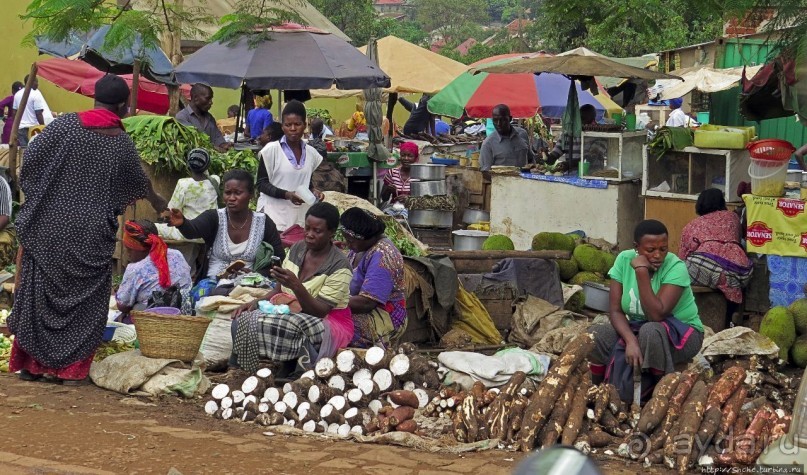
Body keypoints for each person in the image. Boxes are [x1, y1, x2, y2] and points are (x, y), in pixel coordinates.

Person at [8, 74, 168, 384]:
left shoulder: (63, 125)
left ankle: (32, 365)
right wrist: (159, 203)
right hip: (89, 233)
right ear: (123, 106)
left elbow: (31, 162)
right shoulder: (119, 140)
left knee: (40, 293)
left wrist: (45, 195)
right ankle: (63, 369)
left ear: (94, 97)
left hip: (49, 227)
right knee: (81, 301)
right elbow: (138, 183)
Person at [229, 203, 353, 373]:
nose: (309, 235)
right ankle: (242, 370)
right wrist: (255, 302)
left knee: (290, 324)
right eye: (307, 228)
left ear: (331, 233)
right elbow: (277, 291)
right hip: (290, 310)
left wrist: (295, 285)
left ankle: (294, 369)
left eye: (317, 231)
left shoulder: (340, 265)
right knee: (243, 317)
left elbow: (320, 312)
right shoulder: (297, 248)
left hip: (330, 322)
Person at [588, 220, 703, 402]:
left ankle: (661, 398)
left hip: (682, 334)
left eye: (663, 249)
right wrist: (630, 341)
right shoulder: (624, 260)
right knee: (595, 333)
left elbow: (656, 314)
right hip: (637, 330)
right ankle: (596, 393)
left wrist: (641, 271)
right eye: (650, 250)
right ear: (637, 247)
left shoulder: (676, 267)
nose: (658, 255)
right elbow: (615, 311)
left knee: (650, 330)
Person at [164, 169, 285, 284]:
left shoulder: (264, 222)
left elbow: (278, 257)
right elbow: (193, 230)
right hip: (213, 283)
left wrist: (257, 274)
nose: (231, 198)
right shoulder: (214, 217)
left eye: (238, 193)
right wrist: (183, 223)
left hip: (249, 285)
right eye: (228, 193)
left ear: (251, 195)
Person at [679, 188, 753, 316]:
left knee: (677, 271)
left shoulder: (692, 225)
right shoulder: (733, 217)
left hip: (710, 269)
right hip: (740, 270)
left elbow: (683, 255)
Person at [340, 207, 407, 347]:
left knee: (332, 328)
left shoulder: (383, 255)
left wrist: (328, 302)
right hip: (356, 306)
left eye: (350, 241)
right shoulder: (360, 249)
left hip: (383, 316)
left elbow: (367, 303)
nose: (347, 244)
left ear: (364, 237)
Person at [256, 100, 324, 232]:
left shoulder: (311, 153)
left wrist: (313, 191)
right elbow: (261, 184)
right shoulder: (271, 151)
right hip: (274, 218)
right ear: (282, 126)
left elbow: (306, 183)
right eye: (288, 125)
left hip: (300, 220)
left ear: (305, 125)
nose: (293, 129)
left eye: (297, 124)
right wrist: (287, 194)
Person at [157, 148, 221, 277]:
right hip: (210, 230)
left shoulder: (184, 184)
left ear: (188, 165)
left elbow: (173, 209)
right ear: (207, 166)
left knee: (153, 228)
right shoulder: (215, 180)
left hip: (189, 231)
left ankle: (166, 271)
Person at [115, 220, 192, 320]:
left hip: (153, 320)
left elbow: (123, 306)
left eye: (129, 249)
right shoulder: (177, 255)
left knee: (123, 317)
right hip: (183, 312)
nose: (126, 253)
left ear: (141, 248)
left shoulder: (136, 268)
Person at [547, 104, 607, 172]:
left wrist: (570, 164)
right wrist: (545, 156)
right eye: (579, 118)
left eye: (584, 119)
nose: (581, 122)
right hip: (571, 176)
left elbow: (591, 158)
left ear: (592, 119)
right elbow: (551, 160)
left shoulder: (599, 135)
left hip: (593, 176)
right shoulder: (567, 135)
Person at [176, 83, 232, 152]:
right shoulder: (182, 117)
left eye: (211, 99)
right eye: (208, 98)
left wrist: (224, 145)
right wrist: (215, 148)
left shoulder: (210, 118)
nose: (211, 102)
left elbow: (217, 137)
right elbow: (193, 143)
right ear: (196, 98)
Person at [479, 104, 535, 172]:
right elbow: (485, 172)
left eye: (502, 120)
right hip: (502, 182)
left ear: (510, 119)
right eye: (495, 120)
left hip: (525, 181)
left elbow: (530, 159)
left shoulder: (522, 134)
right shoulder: (488, 144)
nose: (499, 123)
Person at [11, 75, 52, 147]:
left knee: (24, 150)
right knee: (34, 149)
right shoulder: (35, 94)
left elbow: (14, 112)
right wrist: (43, 126)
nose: (37, 84)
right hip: (33, 128)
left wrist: (15, 126)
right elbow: (38, 113)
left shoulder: (17, 94)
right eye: (36, 81)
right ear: (31, 82)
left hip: (21, 128)